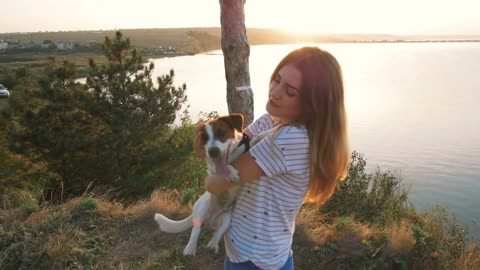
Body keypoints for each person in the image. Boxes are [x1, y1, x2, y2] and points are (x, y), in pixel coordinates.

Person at [198, 46, 350, 270]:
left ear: (311, 105)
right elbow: (235, 145)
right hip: (260, 251)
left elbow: (215, 183)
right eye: (276, 79)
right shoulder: (274, 120)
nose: (275, 92)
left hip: (254, 260)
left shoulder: (289, 139)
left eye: (290, 92)